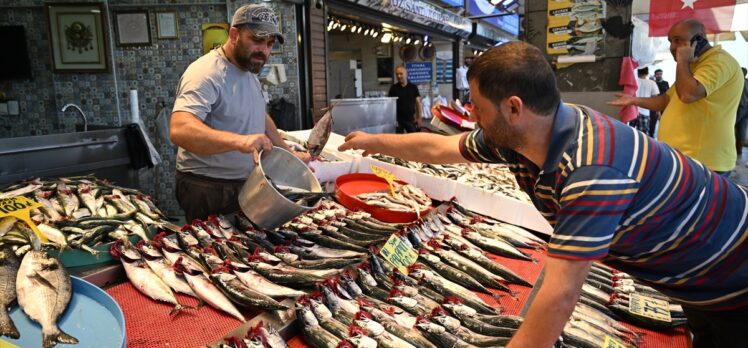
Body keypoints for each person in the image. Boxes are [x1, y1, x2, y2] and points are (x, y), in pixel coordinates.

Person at [340, 41, 748, 348]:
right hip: (695, 280)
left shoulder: (592, 169)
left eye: (478, 107)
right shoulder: (522, 136)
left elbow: (561, 293)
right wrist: (374, 142)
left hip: (734, 282)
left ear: (514, 108)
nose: (472, 116)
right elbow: (440, 149)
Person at [169, 4, 310, 221]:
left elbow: (258, 114)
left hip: (244, 182)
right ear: (234, 35)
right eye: (257, 40)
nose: (264, 50)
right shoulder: (205, 73)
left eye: (269, 44)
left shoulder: (248, 69)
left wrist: (288, 154)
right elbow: (180, 129)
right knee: (216, 252)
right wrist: (240, 142)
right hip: (208, 186)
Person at [608, 19, 744, 175]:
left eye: (678, 40)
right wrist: (634, 100)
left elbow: (688, 95)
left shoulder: (718, 61)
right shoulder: (694, 66)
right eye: (670, 41)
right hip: (683, 159)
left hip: (702, 162)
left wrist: (682, 61)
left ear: (699, 38)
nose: (672, 47)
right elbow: (666, 100)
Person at [388, 66, 422, 133]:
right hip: (398, 120)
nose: (399, 76)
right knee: (399, 141)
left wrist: (419, 118)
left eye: (401, 74)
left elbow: (418, 103)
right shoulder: (393, 88)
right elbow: (390, 105)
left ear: (406, 74)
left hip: (410, 120)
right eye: (397, 74)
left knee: (413, 140)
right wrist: (392, 120)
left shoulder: (413, 87)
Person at [630, 67, 659, 134]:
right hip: (645, 112)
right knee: (643, 134)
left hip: (632, 111)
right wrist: (658, 111)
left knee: (631, 132)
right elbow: (655, 99)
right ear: (647, 73)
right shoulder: (652, 83)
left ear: (638, 72)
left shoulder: (633, 82)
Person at [736, 67, 748, 155]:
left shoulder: (739, 81)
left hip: (740, 107)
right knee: (742, 130)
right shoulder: (747, 82)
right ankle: (739, 151)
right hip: (746, 108)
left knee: (728, 126)